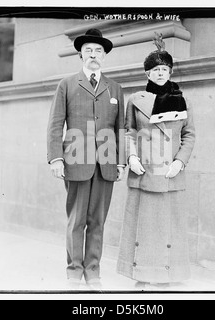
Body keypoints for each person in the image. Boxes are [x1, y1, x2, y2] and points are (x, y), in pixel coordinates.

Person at [47, 29, 125, 290]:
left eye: (98, 51)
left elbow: (120, 129)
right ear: (81, 54)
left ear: (104, 56)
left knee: (97, 221)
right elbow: (56, 124)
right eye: (89, 50)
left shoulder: (115, 88)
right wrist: (56, 158)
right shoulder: (67, 84)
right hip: (76, 161)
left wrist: (121, 161)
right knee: (76, 220)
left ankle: (93, 270)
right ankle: (74, 270)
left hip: (106, 163)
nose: (94, 55)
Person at [116, 33, 196, 289]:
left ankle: (168, 276)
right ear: (147, 74)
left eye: (164, 69)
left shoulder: (182, 101)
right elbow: (128, 131)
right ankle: (144, 273)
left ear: (170, 72)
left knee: (169, 226)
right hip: (144, 170)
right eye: (155, 69)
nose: (160, 73)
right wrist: (131, 156)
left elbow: (189, 135)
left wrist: (179, 162)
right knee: (146, 225)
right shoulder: (136, 100)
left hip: (170, 173)